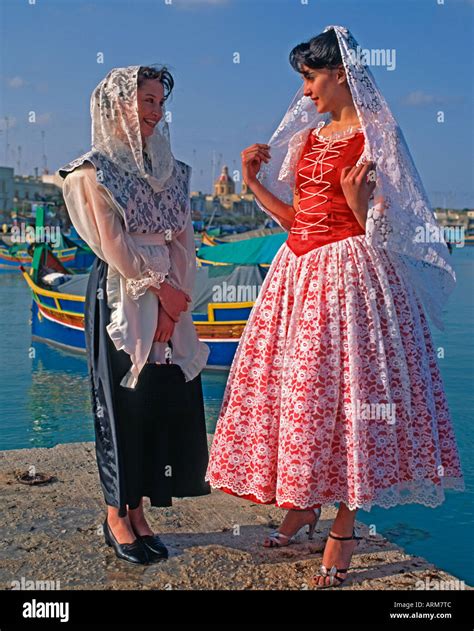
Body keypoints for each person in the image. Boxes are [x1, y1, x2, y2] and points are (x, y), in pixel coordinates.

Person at [205, 26, 465, 588]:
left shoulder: (379, 136)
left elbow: (404, 228)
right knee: (305, 398)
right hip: (298, 274)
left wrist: (358, 205)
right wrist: (252, 184)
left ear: (341, 75)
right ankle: (305, 501)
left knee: (353, 398)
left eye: (310, 77)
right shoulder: (314, 136)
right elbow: (300, 219)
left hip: (353, 277)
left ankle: (344, 522)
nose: (304, 92)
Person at [58, 65, 211, 565]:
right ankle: (115, 515)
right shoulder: (92, 171)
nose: (156, 111)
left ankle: (141, 509)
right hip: (125, 293)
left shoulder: (172, 169)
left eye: (158, 102)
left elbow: (184, 239)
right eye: (147, 101)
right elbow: (112, 242)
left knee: (158, 402)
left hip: (169, 296)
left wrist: (176, 299)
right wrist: (158, 290)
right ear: (120, 106)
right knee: (121, 401)